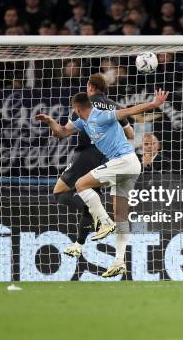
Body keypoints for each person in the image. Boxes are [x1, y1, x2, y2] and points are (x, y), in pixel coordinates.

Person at [36, 89, 169, 277]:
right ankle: (119, 262)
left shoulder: (103, 116)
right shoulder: (83, 121)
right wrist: (50, 121)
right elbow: (62, 133)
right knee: (121, 217)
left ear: (77, 108)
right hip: (130, 166)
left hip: (123, 162)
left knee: (82, 184)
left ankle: (105, 222)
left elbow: (128, 111)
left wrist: (154, 104)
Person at [36, 73, 133, 259]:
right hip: (107, 158)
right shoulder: (114, 106)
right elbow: (130, 134)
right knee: (91, 196)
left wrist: (49, 121)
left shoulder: (86, 105)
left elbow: (62, 133)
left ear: (90, 86)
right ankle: (79, 244)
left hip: (86, 155)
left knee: (59, 192)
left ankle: (102, 218)